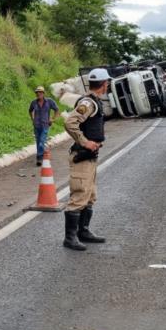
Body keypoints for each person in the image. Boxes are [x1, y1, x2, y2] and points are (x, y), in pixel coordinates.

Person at [62, 68, 110, 251]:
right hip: (81, 157)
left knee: (90, 196)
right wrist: (84, 141)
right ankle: (70, 238)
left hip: (90, 157)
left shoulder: (94, 102)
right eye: (107, 83)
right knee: (79, 195)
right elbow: (70, 122)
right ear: (104, 84)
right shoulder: (89, 103)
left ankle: (83, 231)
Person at [29, 86, 59, 166]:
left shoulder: (49, 102)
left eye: (40, 92)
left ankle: (39, 158)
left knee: (41, 142)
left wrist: (52, 119)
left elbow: (56, 110)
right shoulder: (34, 102)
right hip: (36, 125)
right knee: (38, 141)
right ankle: (41, 155)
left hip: (45, 125)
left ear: (43, 93)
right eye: (37, 93)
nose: (38, 94)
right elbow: (30, 111)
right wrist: (32, 119)